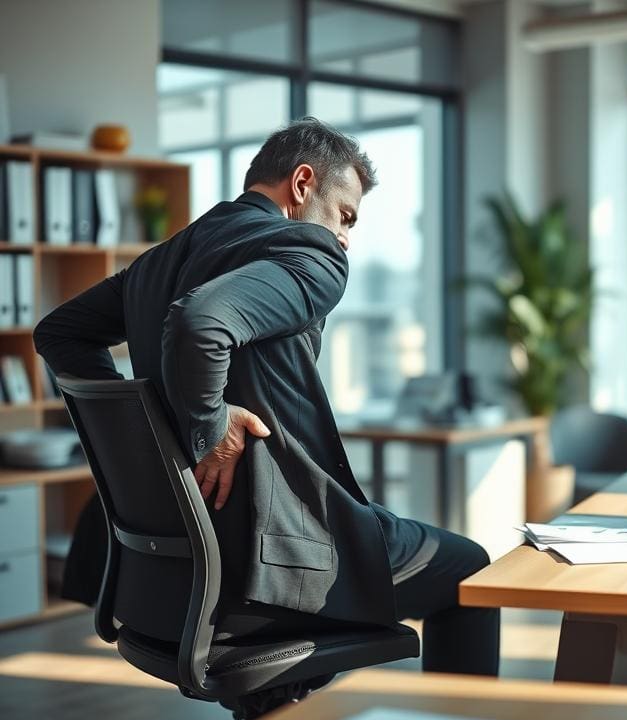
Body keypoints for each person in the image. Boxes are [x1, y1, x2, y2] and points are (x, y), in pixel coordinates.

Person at [34, 117, 499, 676]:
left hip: (178, 576)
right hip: (276, 562)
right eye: (345, 216)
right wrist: (210, 428)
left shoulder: (160, 261)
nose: (346, 236)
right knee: (472, 568)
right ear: (302, 185)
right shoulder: (310, 254)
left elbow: (58, 332)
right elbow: (201, 323)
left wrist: (146, 431)